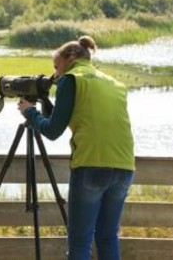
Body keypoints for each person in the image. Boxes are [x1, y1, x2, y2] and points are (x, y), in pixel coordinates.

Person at [17, 35, 135, 260]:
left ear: (70, 57)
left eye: (56, 66)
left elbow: (52, 131)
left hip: (91, 164)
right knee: (108, 236)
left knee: (80, 241)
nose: (55, 74)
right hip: (125, 166)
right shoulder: (114, 83)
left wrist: (30, 112)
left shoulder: (71, 79)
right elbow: (81, 117)